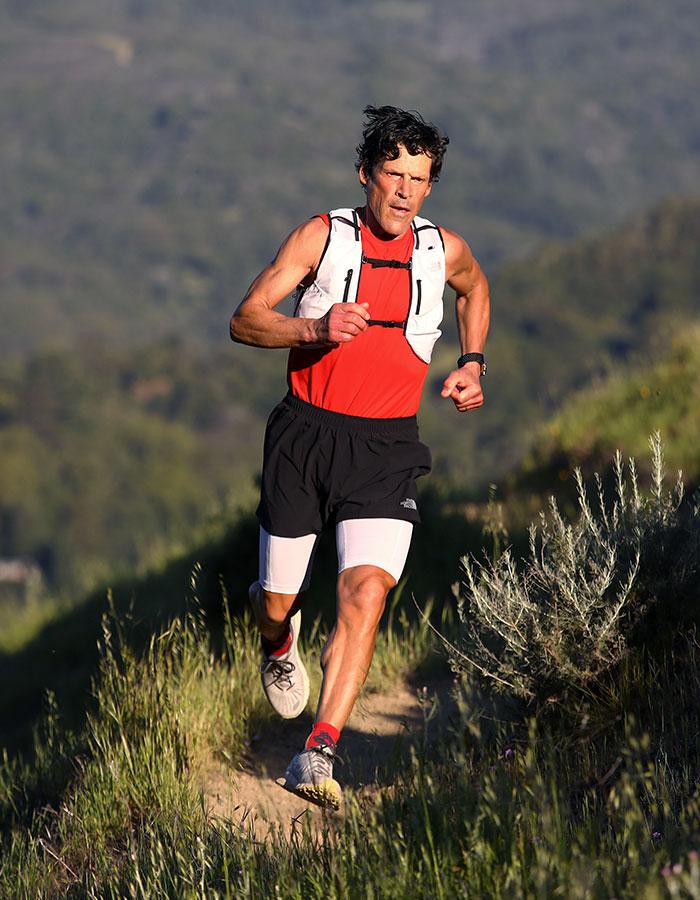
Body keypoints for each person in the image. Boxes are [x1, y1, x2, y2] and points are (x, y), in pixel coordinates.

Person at [229, 105, 490, 810]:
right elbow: (246, 317)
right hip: (305, 436)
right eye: (392, 174)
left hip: (387, 446)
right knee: (278, 602)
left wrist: (474, 363)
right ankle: (277, 638)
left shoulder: (444, 249)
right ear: (366, 175)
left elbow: (476, 287)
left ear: (430, 185)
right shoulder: (323, 237)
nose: (405, 191)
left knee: (366, 592)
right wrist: (314, 325)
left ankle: (318, 752)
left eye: (420, 178)